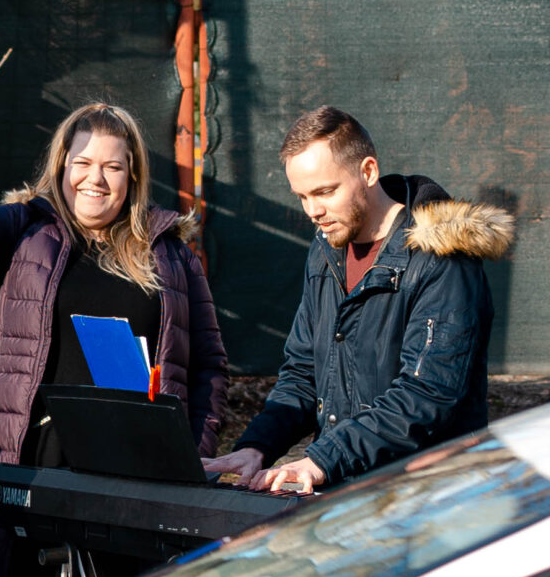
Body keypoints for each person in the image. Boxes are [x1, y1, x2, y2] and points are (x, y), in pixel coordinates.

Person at [0, 90, 227, 577]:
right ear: (62, 166)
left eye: (112, 167)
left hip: (133, 474)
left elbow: (208, 367)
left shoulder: (169, 254)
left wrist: (191, 457)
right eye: (82, 162)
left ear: (132, 176)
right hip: (38, 463)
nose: (95, 179)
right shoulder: (25, 230)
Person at [209, 105, 512, 499]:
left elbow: (427, 395)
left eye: (325, 192)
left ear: (368, 171)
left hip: (427, 498)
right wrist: (257, 447)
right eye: (302, 196)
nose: (313, 211)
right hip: (347, 494)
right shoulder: (325, 250)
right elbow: (304, 371)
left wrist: (323, 459)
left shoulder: (442, 260)